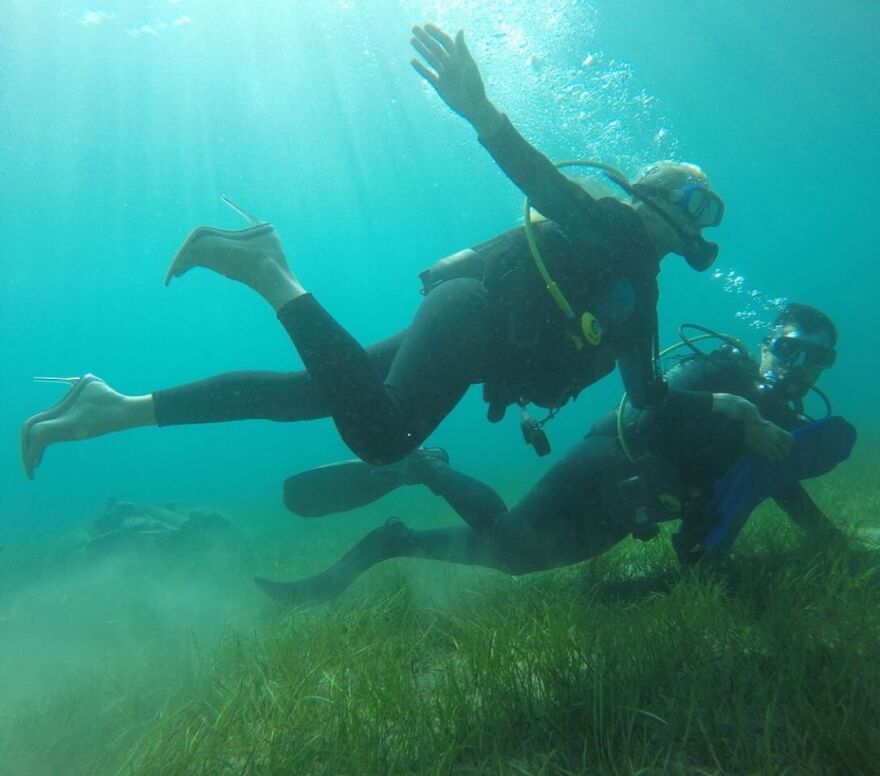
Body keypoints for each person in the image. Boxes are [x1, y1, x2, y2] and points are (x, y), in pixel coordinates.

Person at [20, 24, 773, 482]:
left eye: (710, 211)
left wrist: (733, 403)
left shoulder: (640, 291)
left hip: (475, 329)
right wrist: (483, 113)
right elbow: (548, 185)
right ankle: (267, 267)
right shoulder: (612, 226)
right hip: (474, 310)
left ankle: (112, 409)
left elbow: (648, 396)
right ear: (651, 198)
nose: (702, 221)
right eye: (695, 201)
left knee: (303, 395)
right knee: (383, 438)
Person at [255, 304, 855, 604]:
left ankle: (394, 542)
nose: (800, 368)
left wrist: (827, 539)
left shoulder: (788, 426)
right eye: (791, 349)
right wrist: (731, 409)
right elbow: (647, 406)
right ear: (767, 343)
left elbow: (772, 478)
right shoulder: (723, 369)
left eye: (817, 359)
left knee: (514, 560)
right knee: (516, 540)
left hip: (634, 508)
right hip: (607, 463)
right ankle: (423, 468)